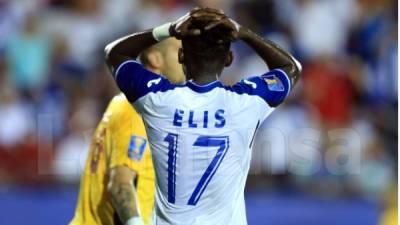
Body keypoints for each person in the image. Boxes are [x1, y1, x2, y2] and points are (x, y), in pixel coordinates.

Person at [105, 7, 301, 225]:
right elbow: (291, 67)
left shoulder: (157, 99)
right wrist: (243, 32)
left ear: (181, 56)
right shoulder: (247, 101)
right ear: (229, 59)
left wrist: (169, 29)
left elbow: (115, 53)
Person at [69, 38, 185, 225]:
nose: (185, 57)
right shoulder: (136, 110)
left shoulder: (132, 105)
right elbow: (120, 184)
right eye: (179, 51)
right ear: (156, 59)